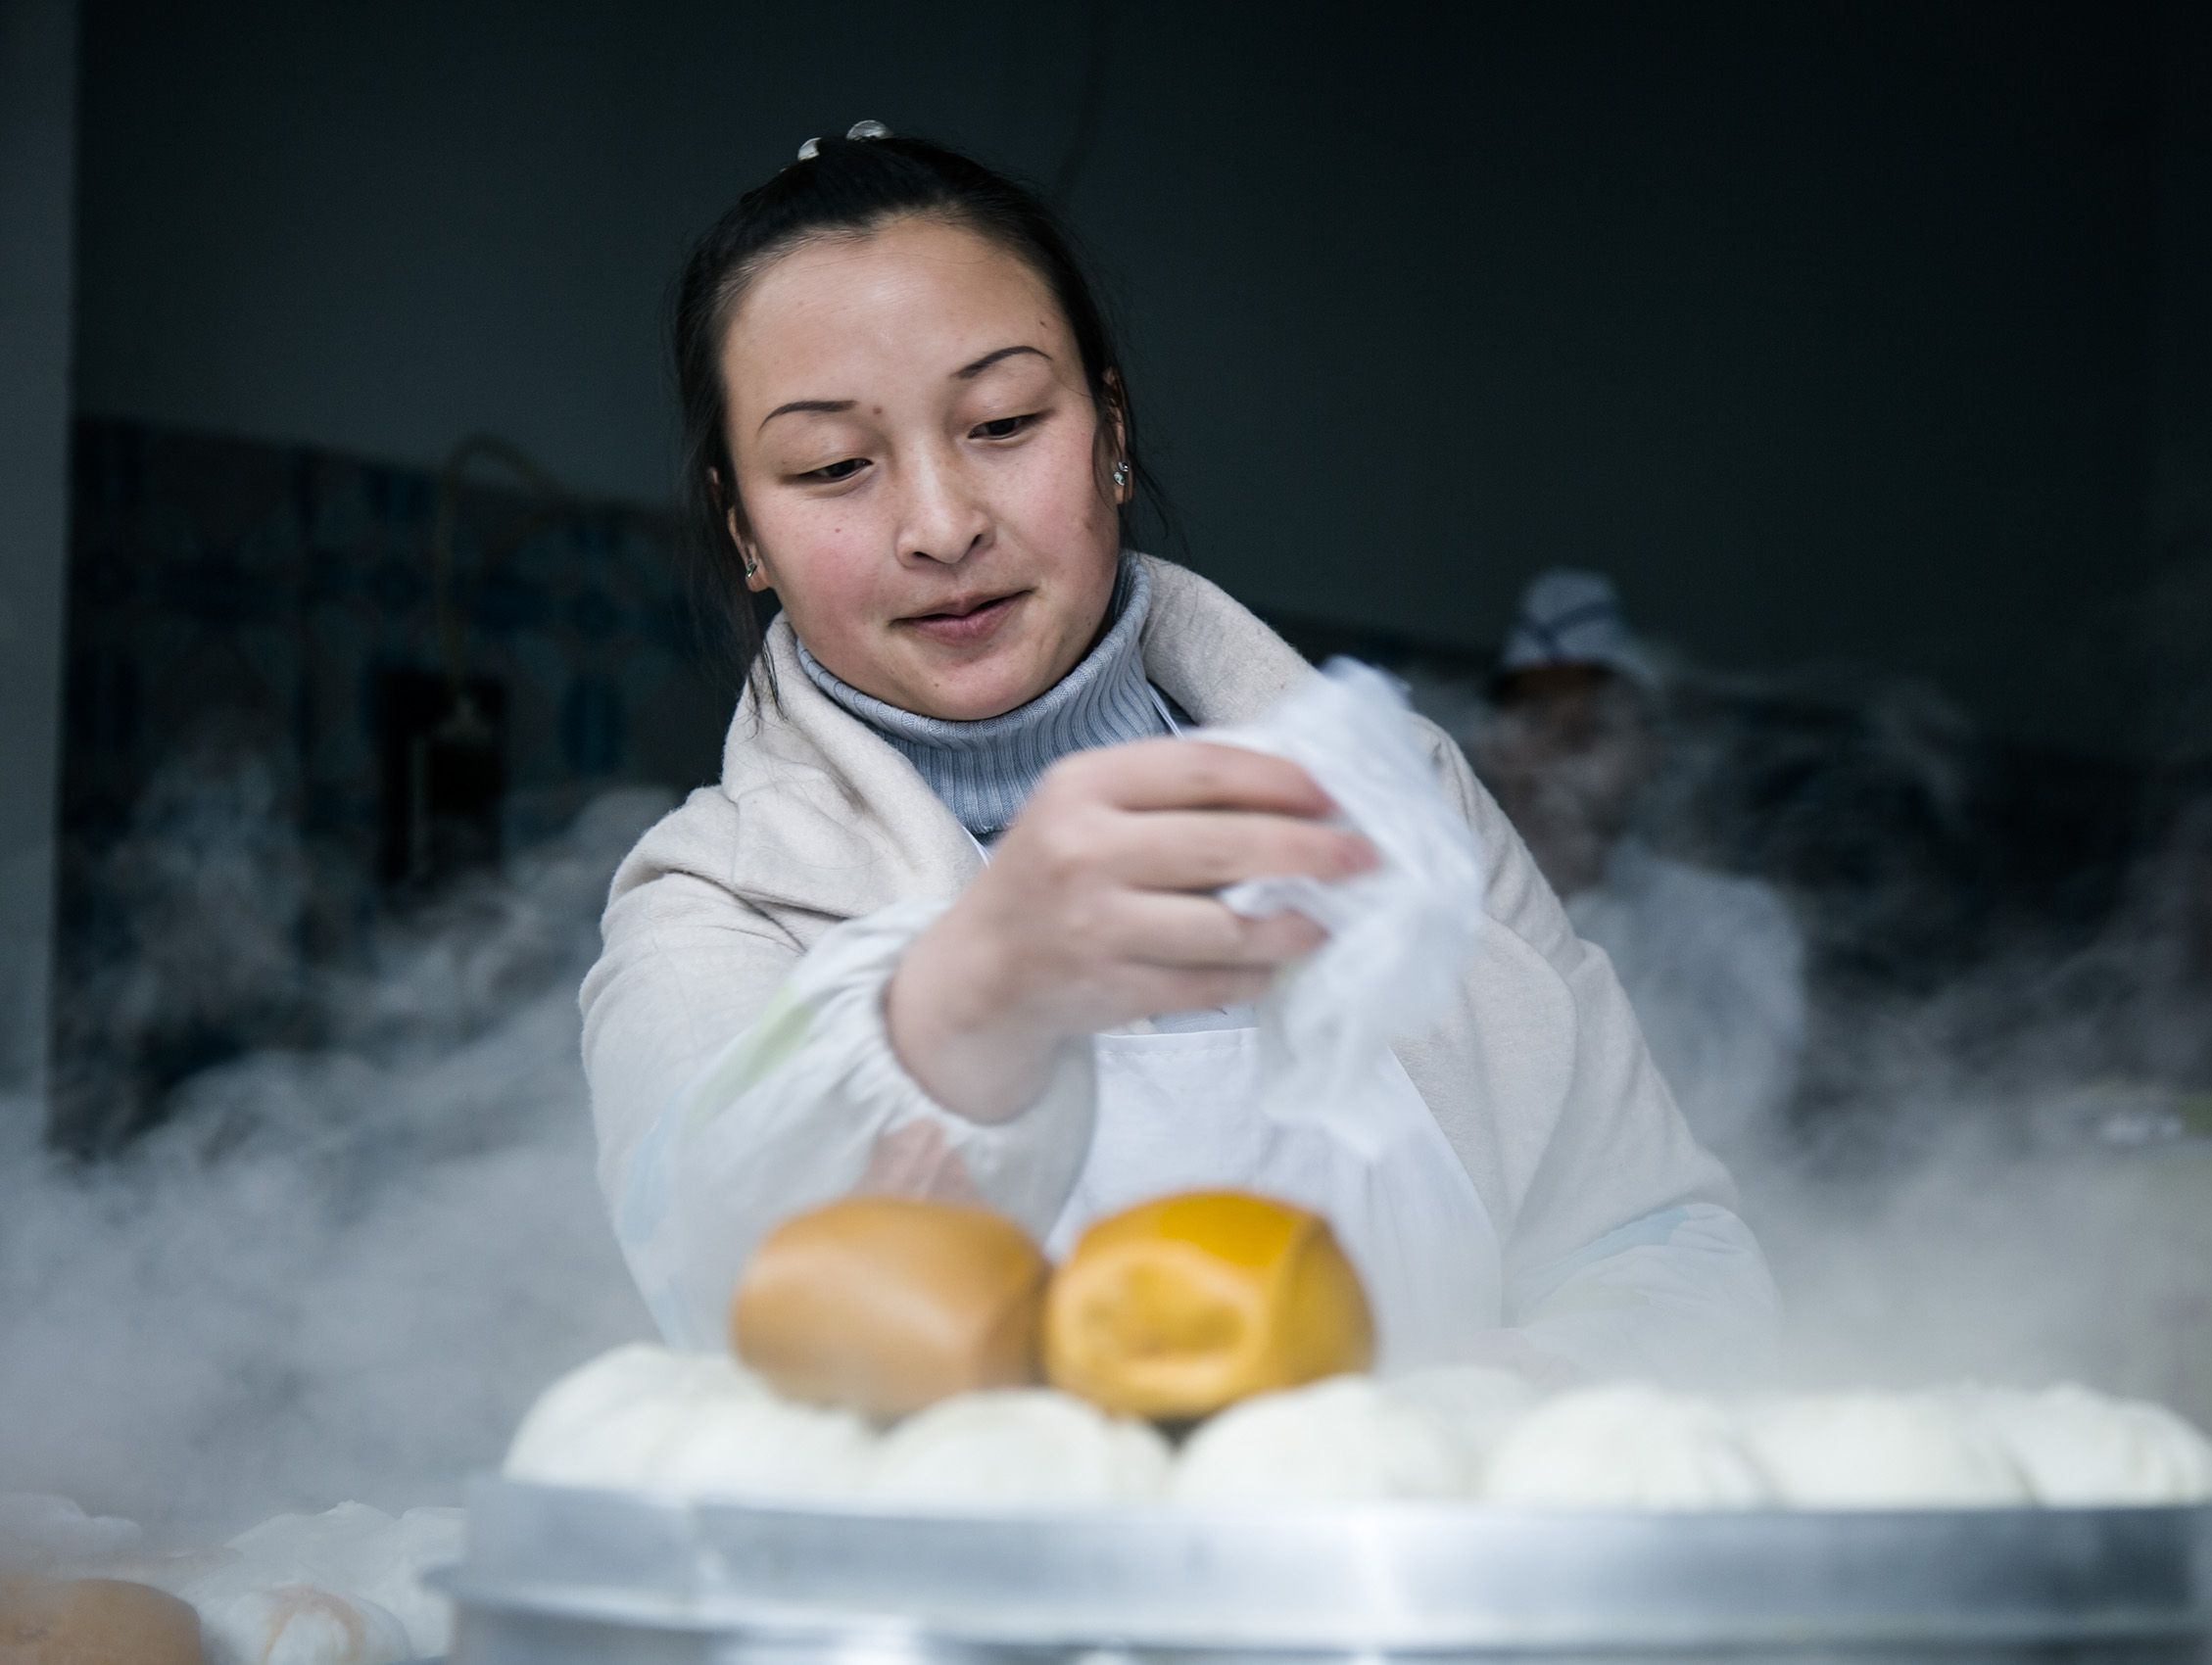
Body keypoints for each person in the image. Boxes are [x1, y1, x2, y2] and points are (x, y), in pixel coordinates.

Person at [578, 123, 1776, 1387]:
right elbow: (741, 1302)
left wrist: (1429, 1441)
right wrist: (970, 995)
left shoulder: (1401, 799)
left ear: (1109, 429)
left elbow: (1664, 1249)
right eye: (831, 466)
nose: (939, 525)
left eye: (1000, 422)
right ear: (744, 529)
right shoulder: (713, 902)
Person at [1473, 571, 1807, 1170]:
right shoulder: (1430, 911)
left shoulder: (1738, 922)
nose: (1557, 756)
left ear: (1649, 753)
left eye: (1590, 731)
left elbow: (1733, 1122)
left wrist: (1580, 891)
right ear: (1495, 747)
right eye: (1535, 724)